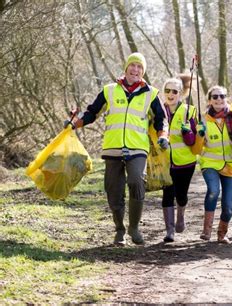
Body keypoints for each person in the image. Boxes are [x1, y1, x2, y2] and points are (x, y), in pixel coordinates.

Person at [68, 52, 167, 245]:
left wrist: (163, 136)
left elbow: (161, 120)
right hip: (112, 148)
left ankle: (134, 228)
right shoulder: (109, 90)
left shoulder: (151, 93)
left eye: (139, 67)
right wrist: (74, 125)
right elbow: (91, 113)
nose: (135, 70)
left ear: (143, 71)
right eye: (132, 66)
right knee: (113, 190)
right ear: (126, 68)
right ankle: (120, 229)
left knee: (137, 181)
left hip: (137, 148)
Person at [192, 85, 232, 244]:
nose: (219, 99)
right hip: (210, 162)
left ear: (226, 98)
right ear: (209, 100)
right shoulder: (204, 120)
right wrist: (199, 135)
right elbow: (197, 150)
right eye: (215, 97)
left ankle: (222, 233)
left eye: (222, 96)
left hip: (230, 165)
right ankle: (207, 230)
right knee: (213, 190)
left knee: (228, 206)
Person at [160, 77, 198, 243]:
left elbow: (193, 141)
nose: (170, 94)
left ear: (180, 93)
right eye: (167, 90)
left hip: (185, 162)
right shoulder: (159, 110)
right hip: (165, 161)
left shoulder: (189, 111)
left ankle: (181, 214)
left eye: (174, 91)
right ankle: (170, 231)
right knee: (168, 194)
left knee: (181, 195)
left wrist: (187, 132)